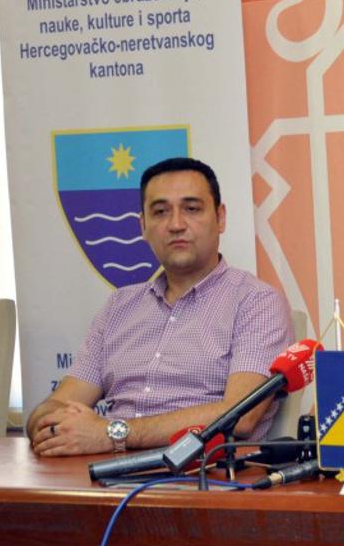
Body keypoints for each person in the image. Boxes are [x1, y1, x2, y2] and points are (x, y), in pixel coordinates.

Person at [26, 157, 293, 456]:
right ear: (143, 226)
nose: (176, 225)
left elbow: (240, 415)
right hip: (102, 467)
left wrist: (114, 433)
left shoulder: (256, 301)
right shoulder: (119, 306)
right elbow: (57, 404)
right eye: (161, 212)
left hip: (201, 471)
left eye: (192, 209)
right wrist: (50, 425)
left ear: (220, 218)